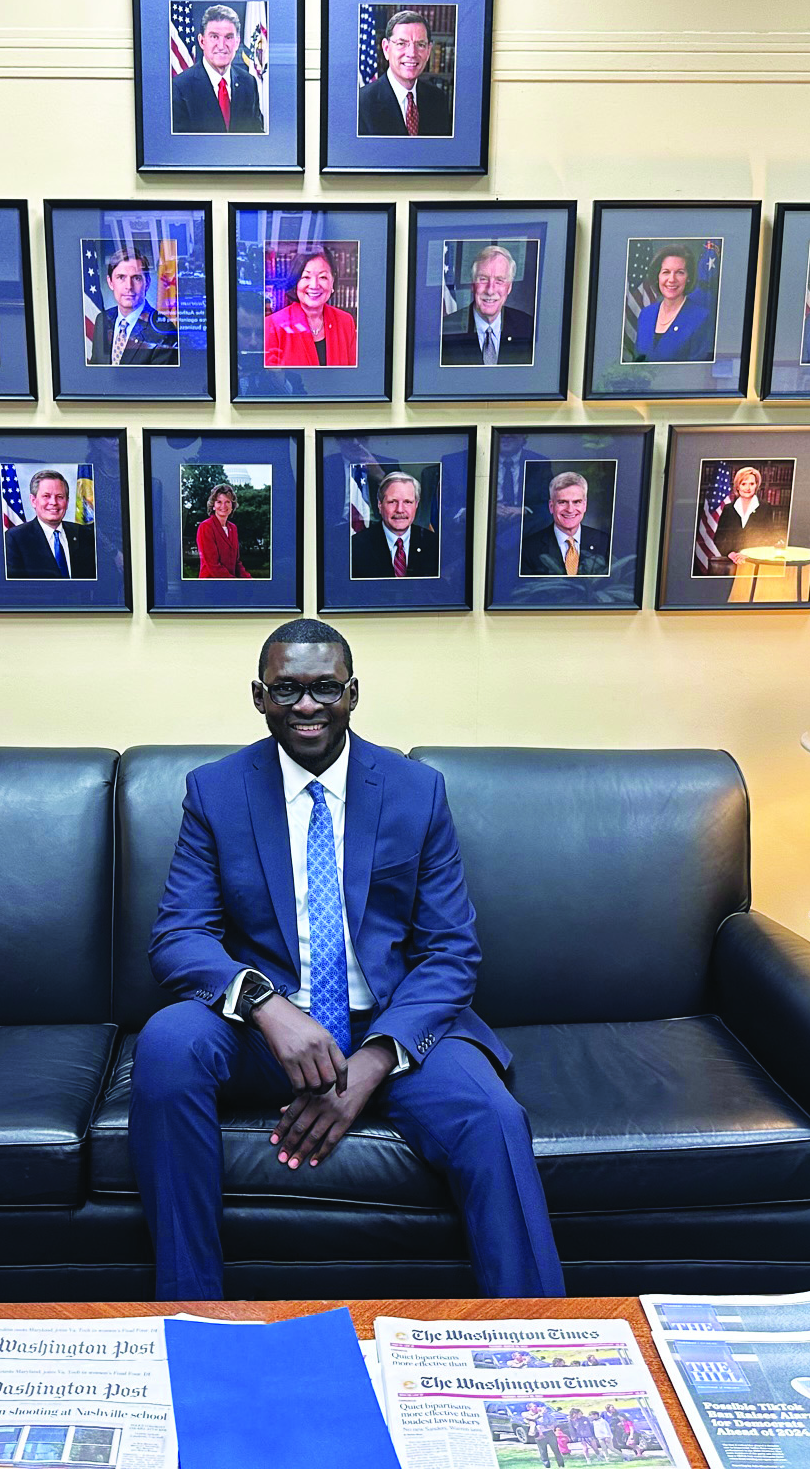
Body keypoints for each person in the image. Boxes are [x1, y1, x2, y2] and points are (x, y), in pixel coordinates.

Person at [128, 618, 566, 1301]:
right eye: (288, 690)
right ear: (259, 696)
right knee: (166, 1043)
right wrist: (267, 1006)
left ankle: (536, 1342)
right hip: (263, 1035)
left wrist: (374, 1061)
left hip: (390, 1026)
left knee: (494, 1116)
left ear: (353, 693)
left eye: (325, 689)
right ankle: (192, 1315)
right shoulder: (215, 791)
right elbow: (179, 936)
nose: (307, 707)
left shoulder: (415, 790)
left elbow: (451, 950)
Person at [357, 9, 452, 136]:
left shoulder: (438, 99)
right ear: (386, 48)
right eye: (401, 43)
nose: (412, 53)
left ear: (429, 51)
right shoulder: (361, 104)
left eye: (420, 45)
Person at [171, 4, 264, 133]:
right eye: (214, 37)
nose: (221, 46)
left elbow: (257, 137)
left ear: (237, 42)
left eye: (229, 37)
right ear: (202, 41)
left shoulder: (249, 82)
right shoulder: (180, 87)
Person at [263, 248, 358, 368]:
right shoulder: (272, 326)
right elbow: (268, 381)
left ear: (332, 281)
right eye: (306, 277)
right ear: (296, 282)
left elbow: (354, 376)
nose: (314, 285)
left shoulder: (345, 322)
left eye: (323, 277)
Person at [441, 245, 535, 366]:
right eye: (483, 279)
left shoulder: (527, 328)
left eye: (499, 280)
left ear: (509, 287)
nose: (490, 290)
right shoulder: (445, 331)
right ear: (472, 284)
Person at [89, 249, 179, 366]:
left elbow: (160, 383)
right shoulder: (102, 319)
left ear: (147, 283)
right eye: (121, 277)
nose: (129, 286)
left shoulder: (164, 332)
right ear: (110, 282)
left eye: (136, 278)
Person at [3, 468, 96, 579]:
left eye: (60, 497)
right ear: (33, 501)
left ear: (67, 502)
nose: (53, 503)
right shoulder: (15, 538)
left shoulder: (85, 534)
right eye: (46, 496)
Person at [631, 244, 715, 362]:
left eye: (680, 272)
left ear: (689, 277)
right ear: (658, 276)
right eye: (666, 272)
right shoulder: (646, 314)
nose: (671, 279)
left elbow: (699, 371)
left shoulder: (701, 318)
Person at [520, 470, 610, 577]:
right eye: (562, 502)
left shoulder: (604, 542)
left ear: (585, 505)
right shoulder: (528, 548)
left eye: (577, 502)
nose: (570, 510)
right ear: (551, 506)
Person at [349, 470, 439, 578]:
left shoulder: (434, 544)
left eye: (407, 502)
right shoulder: (355, 547)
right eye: (392, 502)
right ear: (380, 505)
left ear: (416, 505)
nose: (400, 510)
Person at [708, 466, 785, 569]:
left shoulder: (765, 507)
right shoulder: (728, 509)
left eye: (752, 484)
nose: (748, 488)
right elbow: (719, 538)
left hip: (755, 561)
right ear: (737, 486)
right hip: (731, 562)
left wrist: (749, 554)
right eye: (743, 484)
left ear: (756, 486)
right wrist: (730, 553)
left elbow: (768, 537)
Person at [194, 483, 252, 579]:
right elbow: (213, 565)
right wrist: (236, 584)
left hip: (230, 585)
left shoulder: (233, 528)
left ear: (232, 505)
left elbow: (236, 563)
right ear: (213, 505)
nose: (223, 506)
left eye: (227, 502)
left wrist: (250, 581)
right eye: (219, 502)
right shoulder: (205, 527)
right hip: (211, 586)